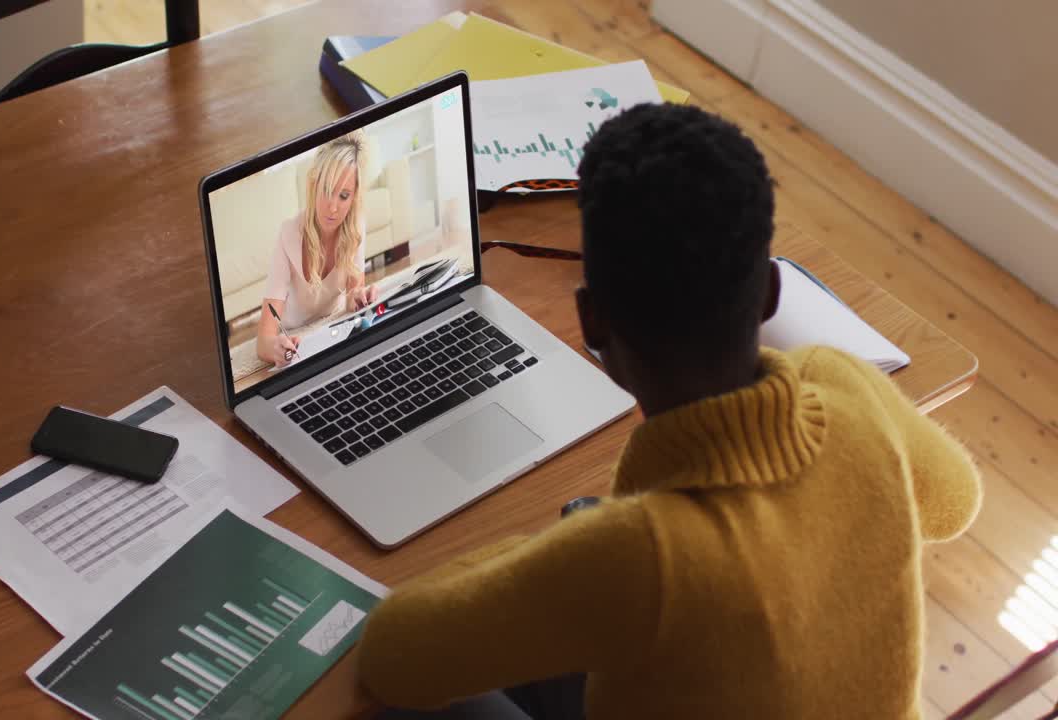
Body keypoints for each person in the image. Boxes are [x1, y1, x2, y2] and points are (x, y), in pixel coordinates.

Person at [356, 104, 982, 719]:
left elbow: (393, 655)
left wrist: (558, 553)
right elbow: (955, 503)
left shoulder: (635, 557)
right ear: (768, 291)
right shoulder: (845, 384)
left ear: (591, 319)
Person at [256, 130, 379, 367]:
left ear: (353, 198)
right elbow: (263, 340)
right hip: (294, 337)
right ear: (314, 185)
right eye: (326, 190)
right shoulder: (289, 234)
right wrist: (276, 348)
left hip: (331, 332)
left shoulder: (355, 227)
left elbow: (353, 297)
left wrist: (360, 298)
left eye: (343, 196)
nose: (332, 207)